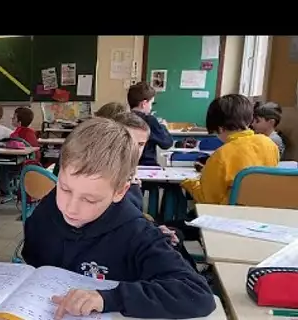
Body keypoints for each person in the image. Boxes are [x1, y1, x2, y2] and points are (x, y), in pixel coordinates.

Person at [22, 117, 215, 319]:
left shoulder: (138, 233)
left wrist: (108, 299)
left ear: (120, 191)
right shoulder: (45, 212)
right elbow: (33, 259)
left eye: (89, 200)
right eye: (65, 189)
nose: (70, 208)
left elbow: (198, 295)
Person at [112, 112, 198, 271]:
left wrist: (152, 228)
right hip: (121, 244)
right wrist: (150, 231)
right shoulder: (108, 175)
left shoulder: (129, 172)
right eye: (128, 142)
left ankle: (196, 279)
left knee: (175, 236)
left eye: (140, 144)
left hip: (134, 231)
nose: (134, 150)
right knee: (172, 241)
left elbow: (131, 214)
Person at [181, 95, 279, 205]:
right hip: (262, 213)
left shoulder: (222, 154)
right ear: (250, 119)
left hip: (228, 216)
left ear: (219, 128)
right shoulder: (270, 144)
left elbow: (208, 199)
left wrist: (189, 183)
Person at [127, 82, 173, 166]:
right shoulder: (149, 120)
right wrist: (163, 127)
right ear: (144, 103)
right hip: (147, 165)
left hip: (127, 167)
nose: (151, 107)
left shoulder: (123, 118)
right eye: (151, 103)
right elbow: (167, 143)